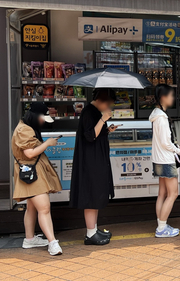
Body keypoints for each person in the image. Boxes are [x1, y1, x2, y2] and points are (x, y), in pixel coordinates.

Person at [12, 103, 63, 256]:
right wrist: (47, 143)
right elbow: (29, 153)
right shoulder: (25, 130)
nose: (43, 122)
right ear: (36, 117)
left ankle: (29, 239)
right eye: (43, 119)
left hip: (29, 171)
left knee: (32, 207)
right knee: (44, 208)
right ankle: (52, 242)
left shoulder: (25, 127)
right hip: (31, 171)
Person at [70, 88, 118, 245]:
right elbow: (90, 136)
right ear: (102, 100)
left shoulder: (94, 111)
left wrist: (107, 130)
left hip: (96, 159)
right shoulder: (89, 112)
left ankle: (94, 229)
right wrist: (104, 120)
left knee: (96, 193)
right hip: (91, 161)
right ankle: (90, 234)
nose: (109, 106)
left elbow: (96, 133)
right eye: (109, 103)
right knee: (91, 194)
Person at [150, 84, 180, 238]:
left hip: (158, 159)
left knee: (162, 193)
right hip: (166, 159)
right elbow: (166, 143)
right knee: (173, 194)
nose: (173, 98)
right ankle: (162, 228)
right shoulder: (162, 118)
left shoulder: (155, 115)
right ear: (163, 98)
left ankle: (161, 223)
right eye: (171, 95)